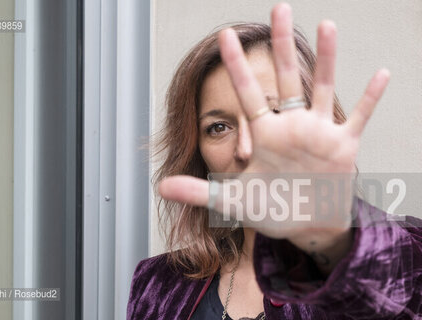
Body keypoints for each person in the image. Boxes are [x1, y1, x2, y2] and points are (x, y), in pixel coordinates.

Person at [127, 3, 422, 319]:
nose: (246, 148)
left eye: (273, 116)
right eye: (218, 127)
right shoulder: (156, 285)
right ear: (198, 151)